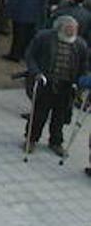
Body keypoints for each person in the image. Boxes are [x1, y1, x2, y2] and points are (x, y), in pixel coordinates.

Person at [23, 15, 91, 157]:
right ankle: (31, 139)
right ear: (60, 28)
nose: (71, 34)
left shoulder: (80, 44)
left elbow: (83, 65)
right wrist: (36, 72)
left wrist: (81, 82)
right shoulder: (44, 37)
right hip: (46, 82)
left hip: (67, 85)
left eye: (74, 31)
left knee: (60, 116)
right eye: (68, 30)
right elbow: (30, 56)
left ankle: (56, 141)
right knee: (39, 114)